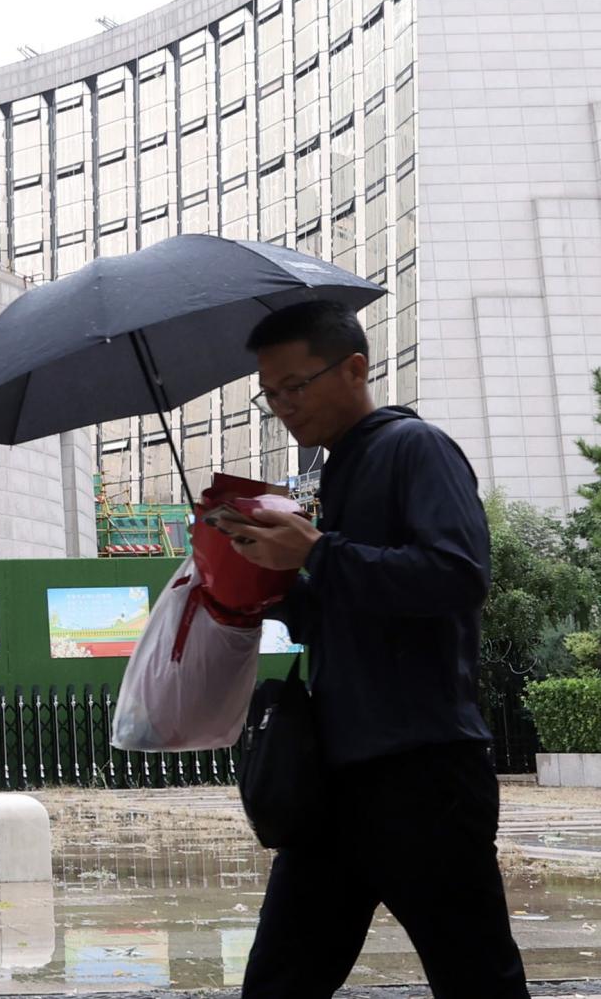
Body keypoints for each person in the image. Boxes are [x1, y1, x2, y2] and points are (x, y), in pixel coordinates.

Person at [221, 298, 528, 997]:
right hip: (332, 782)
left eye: (295, 386)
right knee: (277, 982)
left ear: (354, 368)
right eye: (269, 395)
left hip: (423, 774)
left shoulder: (414, 448)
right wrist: (270, 583)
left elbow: (457, 575)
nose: (283, 407)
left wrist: (319, 553)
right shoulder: (338, 473)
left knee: (477, 980)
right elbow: (348, 614)